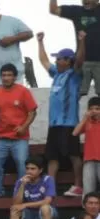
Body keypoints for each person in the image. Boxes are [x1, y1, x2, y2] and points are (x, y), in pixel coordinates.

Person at [37, 33, 84, 197]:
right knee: (52, 156)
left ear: (68, 60)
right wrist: (40, 42)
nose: (56, 61)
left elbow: (79, 60)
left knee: (73, 154)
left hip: (69, 123)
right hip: (54, 124)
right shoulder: (56, 73)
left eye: (59, 59)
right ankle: (50, 188)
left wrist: (81, 41)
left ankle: (78, 186)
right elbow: (43, 61)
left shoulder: (75, 74)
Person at [0, 63, 38, 200]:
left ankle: (21, 192)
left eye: (9, 75)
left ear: (15, 77)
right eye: (3, 75)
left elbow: (32, 112)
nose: (6, 78)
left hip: (19, 138)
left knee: (22, 163)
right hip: (1, 138)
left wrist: (24, 127)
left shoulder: (23, 91)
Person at [9, 155, 59, 219]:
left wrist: (25, 205)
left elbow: (47, 201)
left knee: (45, 208)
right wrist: (22, 185)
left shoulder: (48, 179)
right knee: (14, 210)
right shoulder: (21, 181)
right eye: (27, 168)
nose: (29, 171)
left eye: (33, 169)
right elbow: (16, 204)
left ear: (40, 170)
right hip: (30, 214)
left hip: (47, 214)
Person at [52, 0, 100, 97]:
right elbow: (54, 10)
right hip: (81, 61)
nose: (85, 1)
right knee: (75, 94)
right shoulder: (76, 11)